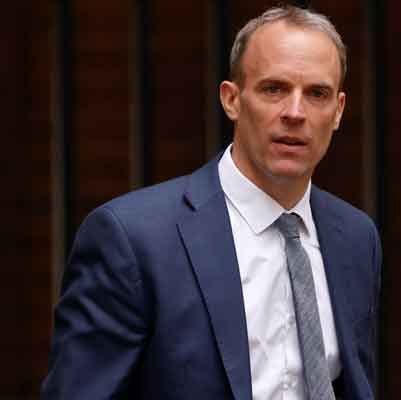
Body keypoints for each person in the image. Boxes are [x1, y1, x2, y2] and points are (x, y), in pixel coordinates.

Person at [41, 5, 381, 400]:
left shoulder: (356, 238)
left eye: (316, 94)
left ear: (338, 111)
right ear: (231, 99)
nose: (294, 112)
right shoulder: (134, 239)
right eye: (274, 89)